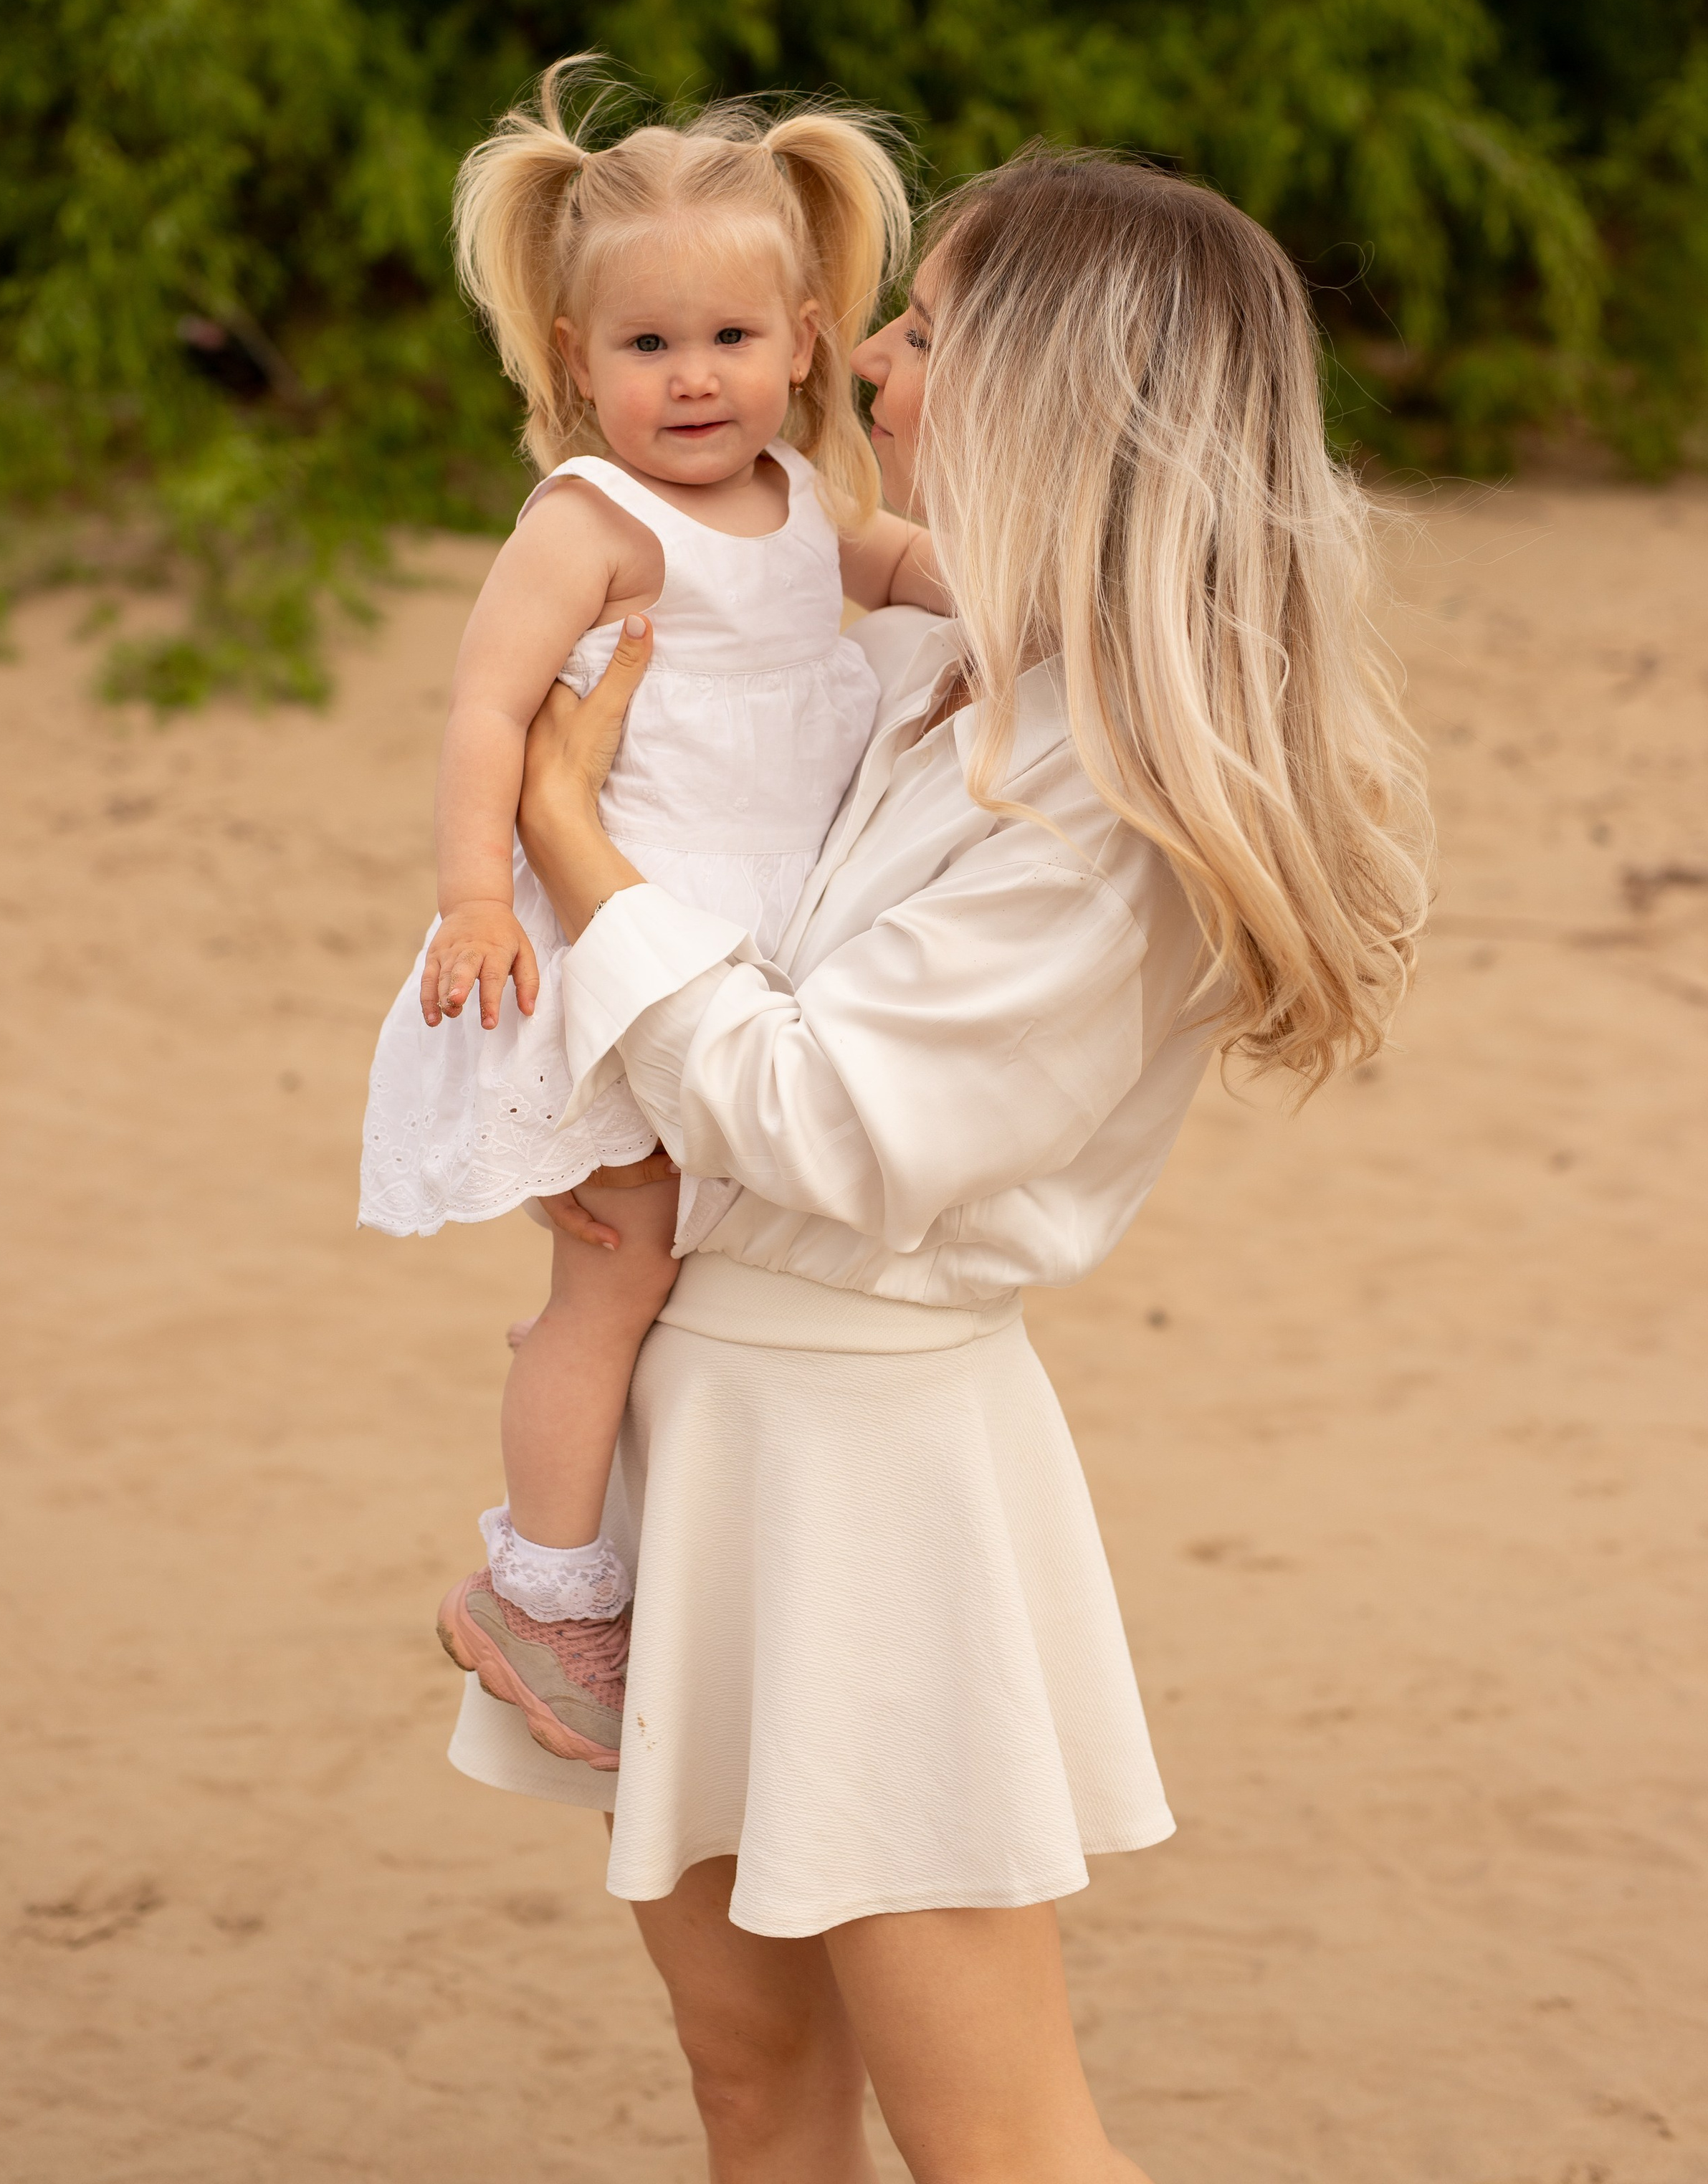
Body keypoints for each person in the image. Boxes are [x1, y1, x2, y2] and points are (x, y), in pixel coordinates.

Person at [467, 149, 1433, 2181]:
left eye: (917, 334)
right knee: (751, 2085)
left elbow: (835, 1121)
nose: (873, 372)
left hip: (865, 1470)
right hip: (697, 1418)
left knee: (995, 2140)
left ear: (1051, 393)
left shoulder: (1116, 803)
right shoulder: (945, 682)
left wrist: (565, 832)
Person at [358, 59, 948, 1765]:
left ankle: (676, 1565)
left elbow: (902, 567)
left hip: (748, 961)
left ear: (809, 342)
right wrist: (478, 895)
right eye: (644, 347)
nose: (693, 380)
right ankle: (541, 1590)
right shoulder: (589, 521)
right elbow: (488, 711)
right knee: (609, 1281)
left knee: (711, 1281)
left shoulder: (792, 506)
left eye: (729, 342)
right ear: (572, 362)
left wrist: (1009, 597)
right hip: (616, 955)